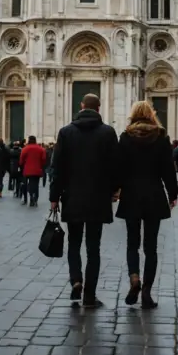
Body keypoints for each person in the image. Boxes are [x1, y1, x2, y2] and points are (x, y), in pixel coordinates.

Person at [49, 94, 119, 309]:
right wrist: (114, 190)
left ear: (81, 106)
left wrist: (54, 198)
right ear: (98, 108)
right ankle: (89, 295)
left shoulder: (66, 132)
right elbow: (115, 165)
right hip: (98, 198)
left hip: (73, 197)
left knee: (74, 243)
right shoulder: (108, 132)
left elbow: (57, 169)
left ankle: (76, 280)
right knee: (93, 248)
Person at [116, 101, 178, 309]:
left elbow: (120, 168)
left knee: (132, 243)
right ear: (151, 115)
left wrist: (116, 189)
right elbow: (168, 170)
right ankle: (147, 293)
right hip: (154, 194)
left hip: (131, 194)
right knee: (151, 247)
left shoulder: (125, 137)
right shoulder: (161, 137)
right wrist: (173, 194)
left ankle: (134, 278)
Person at [19, 136, 47, 207]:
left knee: (27, 184)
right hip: (37, 170)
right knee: (36, 184)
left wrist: (22, 164)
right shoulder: (41, 149)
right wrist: (41, 165)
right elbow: (44, 159)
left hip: (27, 170)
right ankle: (35, 198)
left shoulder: (25, 149)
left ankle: (30, 196)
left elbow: (21, 160)